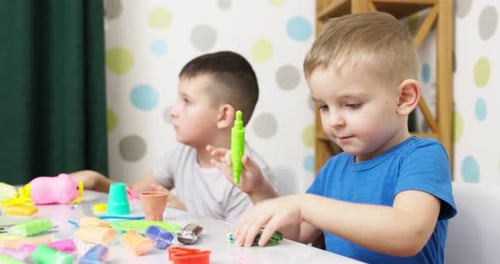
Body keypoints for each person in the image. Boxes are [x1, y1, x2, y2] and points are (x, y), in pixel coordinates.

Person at [210, 12, 457, 263]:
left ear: (404, 98)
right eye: (324, 107)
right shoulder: (335, 168)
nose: (334, 120)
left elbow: (408, 233)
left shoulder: (423, 155)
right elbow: (296, 234)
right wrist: (258, 189)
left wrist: (305, 205)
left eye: (351, 104)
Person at [72, 51, 277, 224]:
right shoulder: (181, 154)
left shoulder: (250, 179)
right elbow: (134, 196)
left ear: (223, 116)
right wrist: (97, 182)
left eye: (187, 101)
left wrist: (186, 217)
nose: (174, 110)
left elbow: (241, 247)